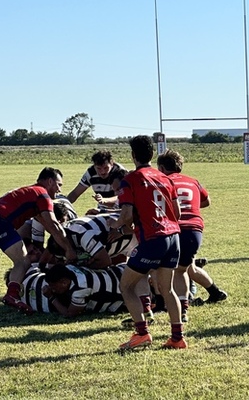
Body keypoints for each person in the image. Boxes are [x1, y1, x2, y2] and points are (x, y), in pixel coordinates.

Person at [0, 167, 77, 314]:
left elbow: (48, 226)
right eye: (59, 185)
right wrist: (69, 250)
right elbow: (54, 225)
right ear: (50, 181)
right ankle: (12, 295)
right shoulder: (42, 194)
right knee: (23, 261)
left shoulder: (30, 191)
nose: (59, 190)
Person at [109, 135, 185, 351]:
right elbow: (177, 213)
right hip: (174, 237)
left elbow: (126, 215)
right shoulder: (166, 178)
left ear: (133, 156)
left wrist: (114, 224)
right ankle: (177, 338)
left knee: (127, 285)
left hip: (153, 239)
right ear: (152, 154)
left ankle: (142, 333)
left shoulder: (131, 179)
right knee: (167, 289)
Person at [157, 149, 227, 322]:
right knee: (187, 267)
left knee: (173, 270)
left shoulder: (162, 180)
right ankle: (215, 292)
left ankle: (180, 308)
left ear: (161, 167)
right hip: (195, 230)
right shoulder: (193, 181)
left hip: (173, 229)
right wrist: (191, 208)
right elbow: (206, 201)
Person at [43, 263, 127, 317]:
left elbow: (70, 313)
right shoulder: (70, 267)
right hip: (122, 270)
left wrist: (51, 297)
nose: (52, 289)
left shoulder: (79, 289)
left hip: (124, 292)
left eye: (53, 286)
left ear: (64, 282)